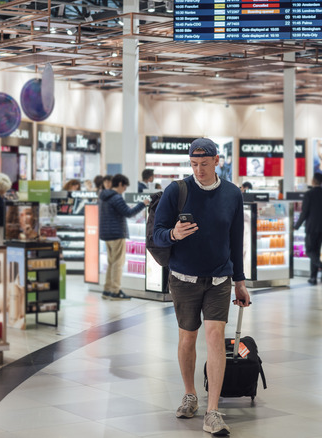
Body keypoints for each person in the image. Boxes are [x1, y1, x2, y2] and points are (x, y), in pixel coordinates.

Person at [152, 138, 250, 437]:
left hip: (219, 278)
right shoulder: (176, 191)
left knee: (215, 337)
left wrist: (240, 281)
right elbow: (157, 235)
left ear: (217, 161)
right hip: (183, 279)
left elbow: (236, 240)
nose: (199, 170)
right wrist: (173, 233)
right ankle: (190, 394)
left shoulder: (232, 193)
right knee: (187, 339)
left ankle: (213, 411)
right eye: (194, 165)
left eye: (204, 164)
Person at [98, 174, 149, 300]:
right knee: (118, 264)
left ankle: (107, 289)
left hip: (106, 234)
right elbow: (129, 213)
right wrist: (143, 204)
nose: (125, 190)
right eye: (125, 187)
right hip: (116, 234)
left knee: (111, 263)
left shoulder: (104, 197)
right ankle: (115, 291)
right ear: (120, 184)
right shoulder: (116, 198)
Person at [295, 172, 322, 285]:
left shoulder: (309, 194)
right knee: (316, 251)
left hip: (311, 227)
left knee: (309, 251)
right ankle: (313, 277)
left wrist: (297, 225)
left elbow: (304, 212)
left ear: (313, 180)